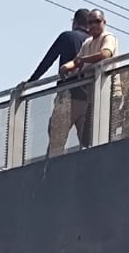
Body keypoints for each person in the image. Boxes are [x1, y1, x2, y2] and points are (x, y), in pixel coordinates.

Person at [61, 9, 120, 153]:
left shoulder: (108, 37)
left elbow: (105, 54)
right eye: (90, 22)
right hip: (93, 96)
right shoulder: (87, 43)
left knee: (107, 130)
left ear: (104, 22)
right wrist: (66, 67)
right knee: (90, 135)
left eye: (97, 21)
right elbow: (76, 61)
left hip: (110, 92)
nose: (93, 25)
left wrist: (82, 60)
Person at [34, 10, 92, 155]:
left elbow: (48, 60)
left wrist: (32, 81)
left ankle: (49, 174)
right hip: (88, 97)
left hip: (67, 95)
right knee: (88, 144)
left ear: (75, 22)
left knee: (56, 142)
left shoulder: (67, 36)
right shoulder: (94, 42)